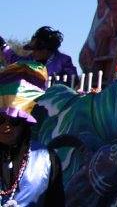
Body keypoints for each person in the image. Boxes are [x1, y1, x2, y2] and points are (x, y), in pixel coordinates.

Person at [0, 62, 64, 206]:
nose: (6, 126)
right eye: (0, 120)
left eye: (14, 120)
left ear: (24, 124)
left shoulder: (47, 159)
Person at [1, 27, 77, 81]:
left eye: (37, 49)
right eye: (33, 49)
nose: (33, 52)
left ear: (46, 49)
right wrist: (3, 46)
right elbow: (16, 61)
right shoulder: (30, 59)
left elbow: (74, 80)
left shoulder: (64, 61)